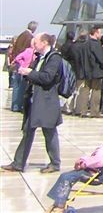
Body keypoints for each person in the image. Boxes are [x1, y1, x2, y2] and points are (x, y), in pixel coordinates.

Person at [2, 33, 63, 173]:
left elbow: (47, 77)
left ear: (45, 43)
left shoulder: (54, 58)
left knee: (49, 131)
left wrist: (30, 72)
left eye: (35, 43)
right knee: (28, 131)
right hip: (34, 100)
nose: (33, 45)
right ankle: (18, 163)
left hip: (46, 101)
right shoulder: (40, 57)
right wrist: (25, 72)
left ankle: (55, 163)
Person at [44, 124, 103, 212]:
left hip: (95, 175)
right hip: (97, 172)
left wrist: (83, 163)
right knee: (65, 176)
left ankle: (60, 206)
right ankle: (58, 202)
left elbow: (98, 161)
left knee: (66, 177)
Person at [7, 20, 37, 106]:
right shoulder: (30, 37)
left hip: (18, 63)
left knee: (16, 86)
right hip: (24, 64)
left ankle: (14, 105)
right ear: (34, 28)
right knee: (21, 86)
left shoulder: (21, 35)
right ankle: (19, 105)